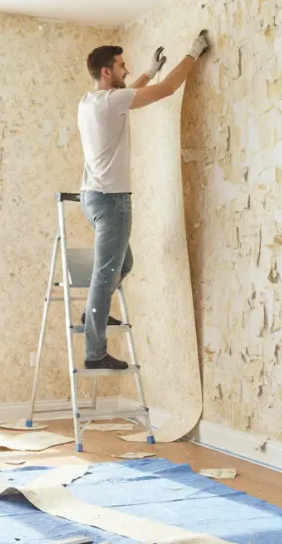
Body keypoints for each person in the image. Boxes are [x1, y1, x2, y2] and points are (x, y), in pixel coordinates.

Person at [76, 31, 210, 370]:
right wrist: (193, 53)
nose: (126, 69)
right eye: (121, 66)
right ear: (106, 72)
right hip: (112, 201)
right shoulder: (112, 102)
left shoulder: (89, 102)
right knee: (106, 274)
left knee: (122, 266)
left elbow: (129, 92)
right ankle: (95, 352)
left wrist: (149, 70)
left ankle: (95, 309)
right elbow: (166, 91)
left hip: (92, 197)